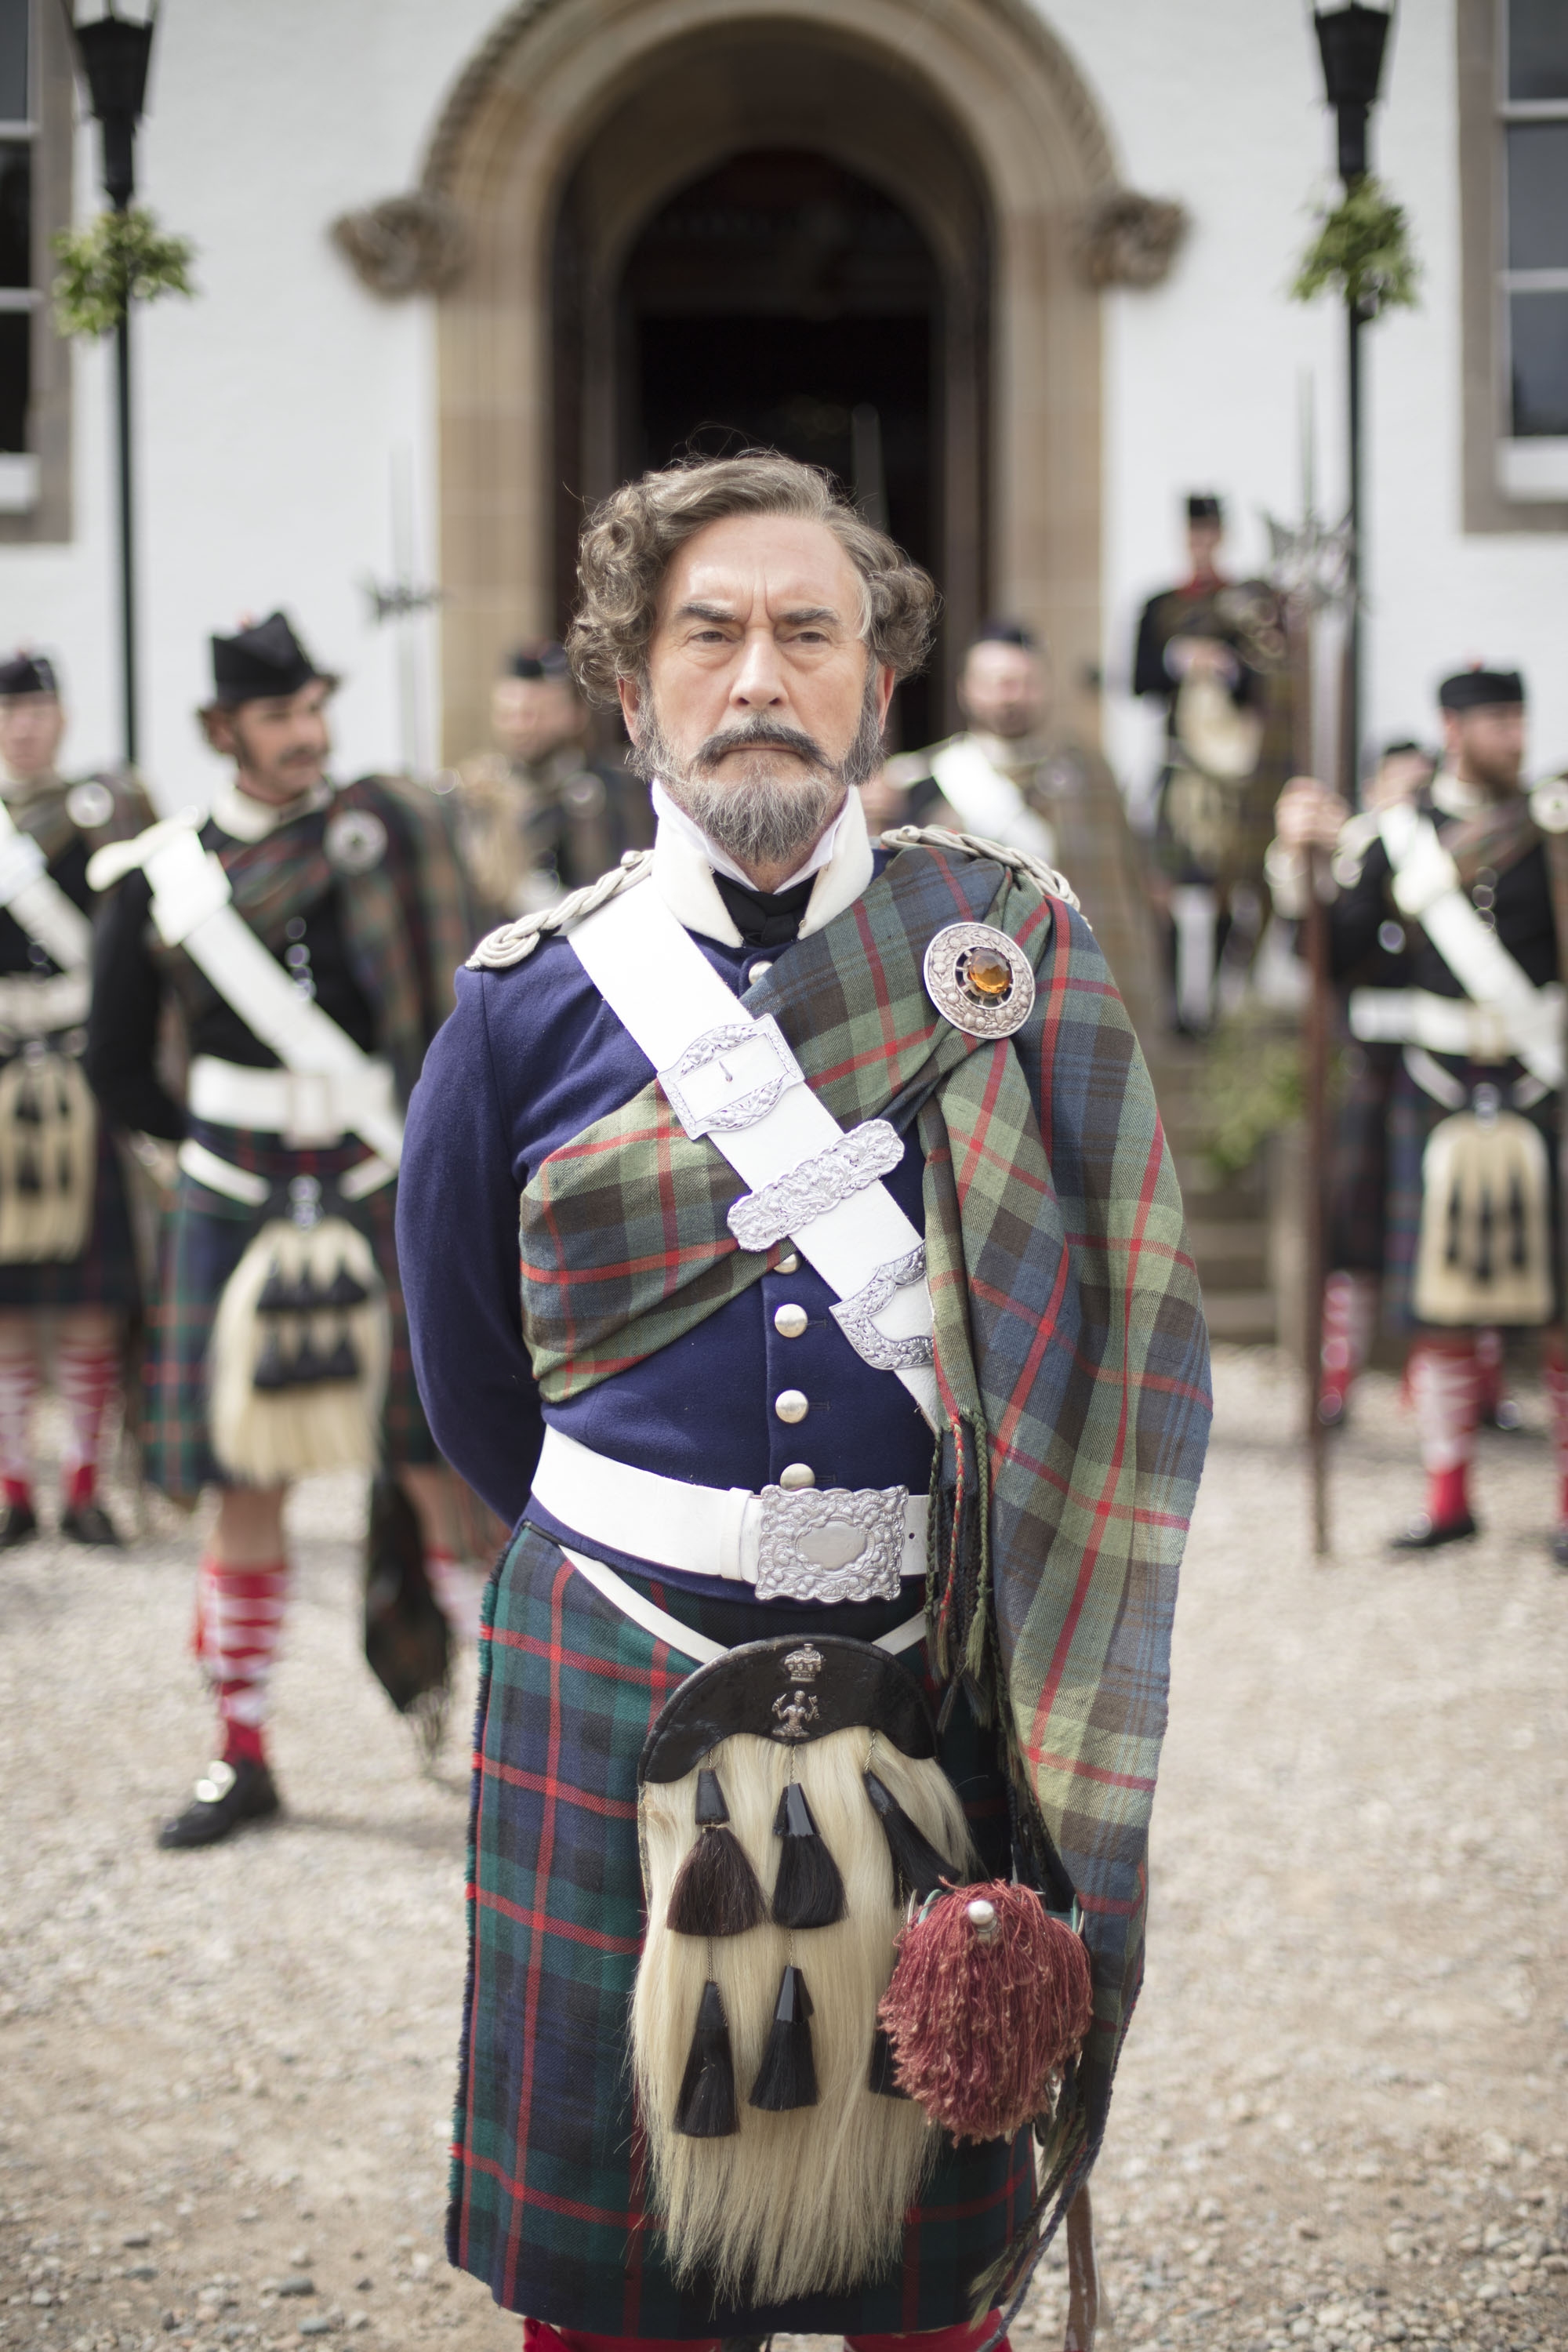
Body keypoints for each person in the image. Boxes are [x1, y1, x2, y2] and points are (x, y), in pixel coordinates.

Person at [398, 455, 1212, 2348]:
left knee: (928, 2302)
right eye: (707, 632)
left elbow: (1116, 1328)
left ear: (874, 683)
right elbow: (463, 1375)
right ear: (630, 688)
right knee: (611, 2299)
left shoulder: (1005, 952)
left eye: (805, 630)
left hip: (930, 1675)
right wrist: (645, 1543)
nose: (756, 670)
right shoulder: (521, 1002)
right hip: (610, 1660)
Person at [84, 611, 475, 1847]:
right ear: (222, 733)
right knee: (240, 1479)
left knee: (440, 1463)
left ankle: (507, 1753)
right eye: (278, 717)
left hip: (379, 1178)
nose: (307, 737)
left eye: (316, 709)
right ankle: (240, 1750)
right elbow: (116, 1067)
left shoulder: (385, 836)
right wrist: (218, 1143)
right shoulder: (161, 877)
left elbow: (451, 1003)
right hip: (236, 1188)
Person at [1274, 667, 1563, 1554]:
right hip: (1433, 1084)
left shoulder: (1550, 832)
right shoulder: (1397, 840)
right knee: (1437, 1311)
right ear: (1451, 727)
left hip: (1540, 1079)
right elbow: (1330, 952)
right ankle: (1448, 1500)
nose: (1512, 735)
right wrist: (1301, 864)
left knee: (1561, 1308)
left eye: (1517, 718)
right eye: (1494, 721)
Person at [0, 652, 151, 1544]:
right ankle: (15, 1486)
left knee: (92, 1298)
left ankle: (87, 1485)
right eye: (11, 712)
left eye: (38, 708)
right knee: (8, 1298)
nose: (24, 725)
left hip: (83, 1071)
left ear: (62, 717)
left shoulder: (106, 818)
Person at [884, 621, 1163, 1038]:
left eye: (1024, 681)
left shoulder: (1091, 771)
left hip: (1084, 982)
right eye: (995, 682)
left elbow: (1127, 887)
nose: (1009, 694)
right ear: (966, 688)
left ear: (1046, 686)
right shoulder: (924, 781)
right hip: (982, 995)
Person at [1264, 740, 1432, 1427]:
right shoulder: (1361, 860)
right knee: (1355, 1231)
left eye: (1419, 787)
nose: (1407, 801)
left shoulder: (1448, 855)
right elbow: (1317, 949)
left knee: (1443, 1232)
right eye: (1396, 786)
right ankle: (1337, 1377)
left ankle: (1457, 1383)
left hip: (1446, 1058)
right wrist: (1304, 865)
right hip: (1372, 1059)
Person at [1133, 494, 1294, 1032]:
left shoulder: (1248, 605)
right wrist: (1180, 659)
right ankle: (1180, 1004)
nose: (1202, 545)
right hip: (1183, 768)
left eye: (1209, 535)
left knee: (1233, 883)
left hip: (1237, 772)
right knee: (1171, 888)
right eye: (1194, 535)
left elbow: (1270, 679)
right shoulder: (1159, 606)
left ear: (1220, 537)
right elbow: (1140, 682)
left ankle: (1223, 1001)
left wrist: (1227, 668)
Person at [448, 639, 652, 928]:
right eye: (509, 714)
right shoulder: (482, 790)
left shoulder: (622, 788)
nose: (521, 726)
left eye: (534, 713)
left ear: (575, 715)